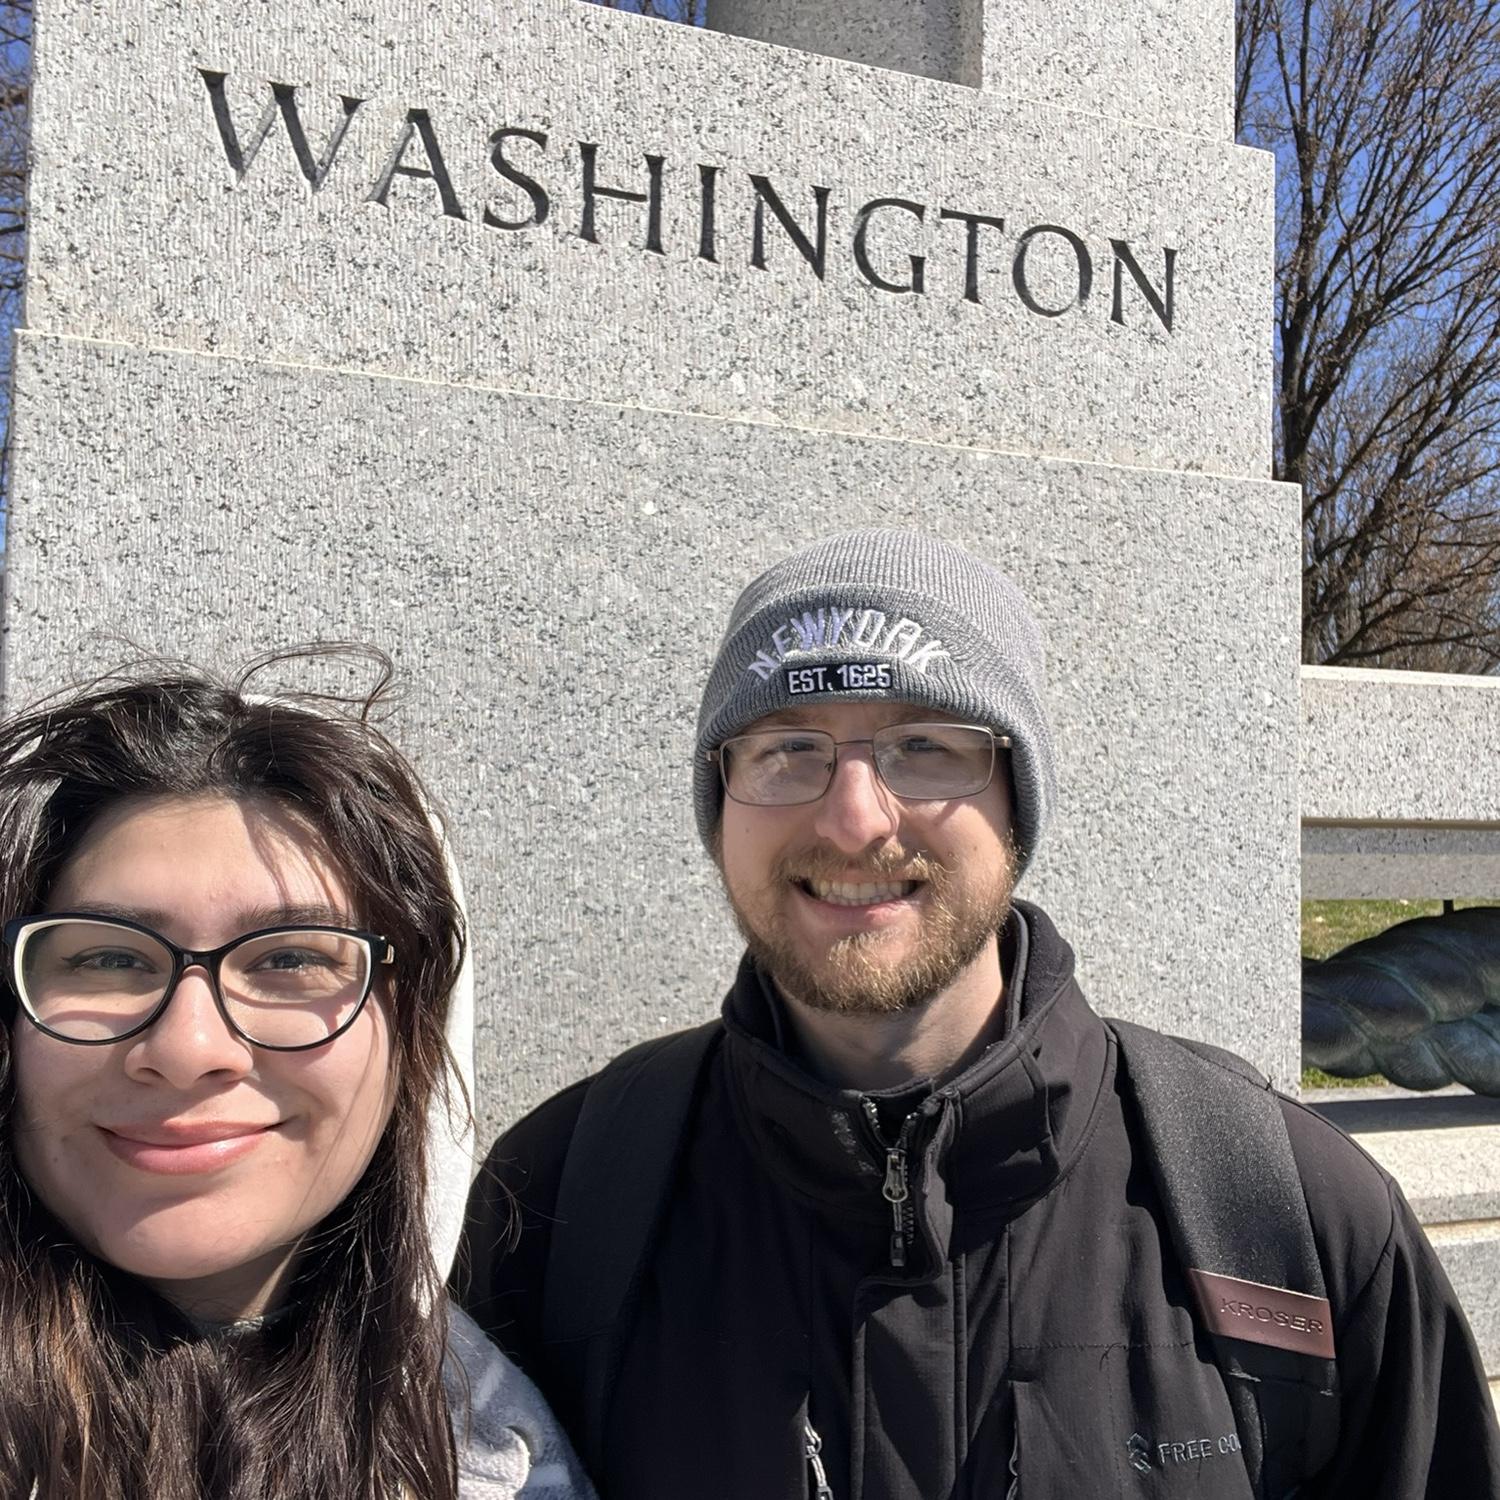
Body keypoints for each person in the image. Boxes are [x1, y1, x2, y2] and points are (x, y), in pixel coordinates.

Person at [458, 530, 1500, 1499]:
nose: (854, 817)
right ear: (721, 803)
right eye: (787, 749)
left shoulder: (1293, 1216)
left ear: (1017, 802)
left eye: (925, 744)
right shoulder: (554, 1208)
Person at [0, 651, 595, 1500]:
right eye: (106, 957)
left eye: (289, 959)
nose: (188, 1045)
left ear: (417, 1034)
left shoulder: (498, 1459)